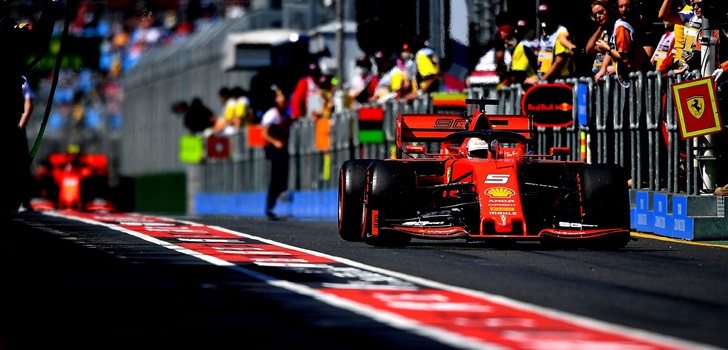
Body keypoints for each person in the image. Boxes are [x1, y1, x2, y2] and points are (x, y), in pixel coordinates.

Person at [2, 0, 60, 216]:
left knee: (16, 153)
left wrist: (51, 11)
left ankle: (17, 198)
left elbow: (38, 43)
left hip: (8, 107)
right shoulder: (11, 30)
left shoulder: (12, 29)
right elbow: (38, 43)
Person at [260, 86, 290, 220]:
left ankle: (274, 204)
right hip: (273, 151)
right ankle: (269, 206)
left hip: (281, 151)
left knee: (282, 177)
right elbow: (264, 133)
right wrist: (275, 142)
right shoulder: (271, 114)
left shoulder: (283, 114)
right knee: (275, 178)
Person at [536, 3, 577, 82]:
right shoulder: (544, 33)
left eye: (546, 16)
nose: (544, 20)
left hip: (559, 79)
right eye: (541, 17)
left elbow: (559, 61)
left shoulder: (561, 32)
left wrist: (543, 79)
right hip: (545, 79)